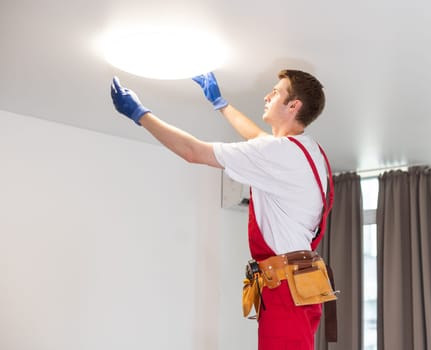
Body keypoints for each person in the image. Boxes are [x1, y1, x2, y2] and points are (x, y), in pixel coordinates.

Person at [110, 69, 334, 349]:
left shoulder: (280, 154)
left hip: (286, 290)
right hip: (300, 286)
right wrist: (220, 103)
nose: (267, 96)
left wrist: (140, 114)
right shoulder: (308, 150)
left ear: (293, 105)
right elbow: (258, 140)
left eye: (275, 92)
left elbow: (194, 152)